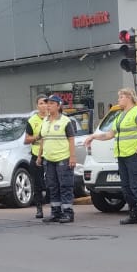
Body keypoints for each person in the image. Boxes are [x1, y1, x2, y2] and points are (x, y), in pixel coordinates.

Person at [85, 88, 137, 226]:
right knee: (126, 187)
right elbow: (109, 134)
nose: (118, 100)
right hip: (122, 155)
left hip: (134, 155)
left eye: (121, 97)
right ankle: (134, 214)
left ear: (129, 97)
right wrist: (93, 136)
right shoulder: (119, 116)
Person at [38, 95, 78, 223]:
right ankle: (55, 212)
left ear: (58, 106)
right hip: (49, 159)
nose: (48, 106)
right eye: (47, 103)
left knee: (65, 186)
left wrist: (72, 157)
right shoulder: (45, 120)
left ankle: (68, 213)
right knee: (52, 186)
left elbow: (71, 139)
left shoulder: (65, 121)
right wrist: (39, 156)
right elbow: (43, 139)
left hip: (63, 158)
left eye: (51, 103)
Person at [24, 95, 50, 219]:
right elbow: (26, 139)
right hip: (36, 155)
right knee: (37, 184)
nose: (44, 105)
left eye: (46, 103)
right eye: (41, 103)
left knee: (52, 183)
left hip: (51, 155)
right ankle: (39, 209)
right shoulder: (32, 120)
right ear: (37, 106)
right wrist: (37, 137)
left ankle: (55, 208)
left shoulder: (53, 118)